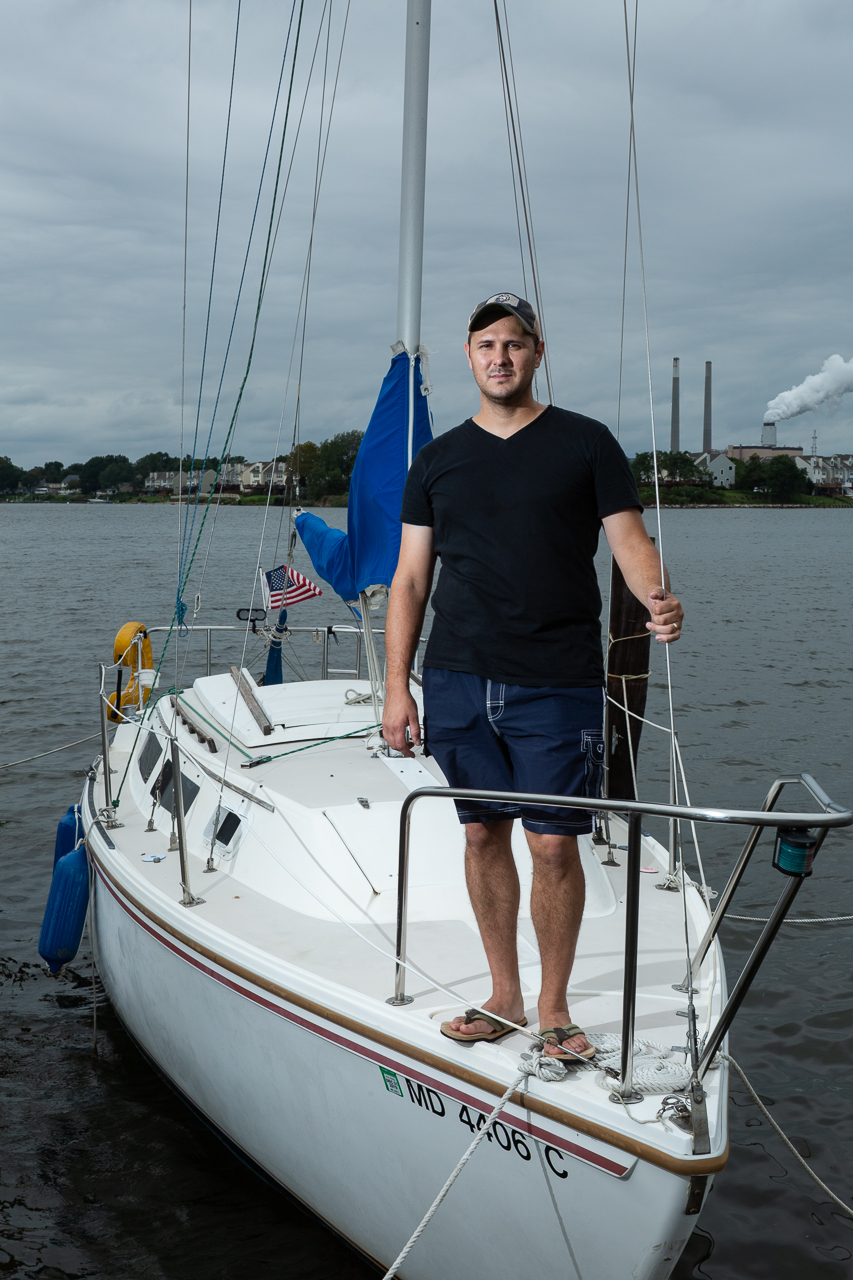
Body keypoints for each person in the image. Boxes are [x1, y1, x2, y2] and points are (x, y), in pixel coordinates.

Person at [382, 293, 683, 1060]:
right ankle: (503, 997)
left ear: (536, 353)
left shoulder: (585, 443)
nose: (500, 357)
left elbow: (628, 539)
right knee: (481, 831)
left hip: (558, 678)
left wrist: (656, 597)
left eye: (514, 344)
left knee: (553, 845)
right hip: (456, 677)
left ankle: (553, 1010)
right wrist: (396, 685)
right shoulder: (436, 459)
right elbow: (410, 580)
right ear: (469, 355)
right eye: (486, 344)